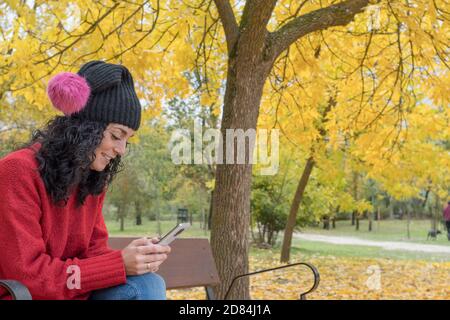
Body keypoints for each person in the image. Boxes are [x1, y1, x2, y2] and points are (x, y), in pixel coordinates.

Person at [0, 61, 171, 300]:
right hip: (29, 295)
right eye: (116, 135)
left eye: (127, 140)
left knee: (148, 283)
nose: (121, 149)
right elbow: (28, 277)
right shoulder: (17, 171)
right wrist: (118, 265)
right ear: (86, 128)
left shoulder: (90, 178)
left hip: (75, 293)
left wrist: (134, 258)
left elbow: (94, 251)